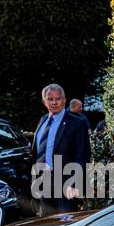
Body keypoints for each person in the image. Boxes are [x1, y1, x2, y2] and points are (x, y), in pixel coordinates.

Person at [31, 83, 90, 214]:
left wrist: (74, 184)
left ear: (64, 100)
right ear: (44, 101)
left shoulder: (76, 123)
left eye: (58, 99)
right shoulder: (43, 120)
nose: (54, 102)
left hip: (65, 183)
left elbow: (82, 156)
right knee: (46, 225)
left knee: (66, 224)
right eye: (50, 99)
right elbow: (36, 152)